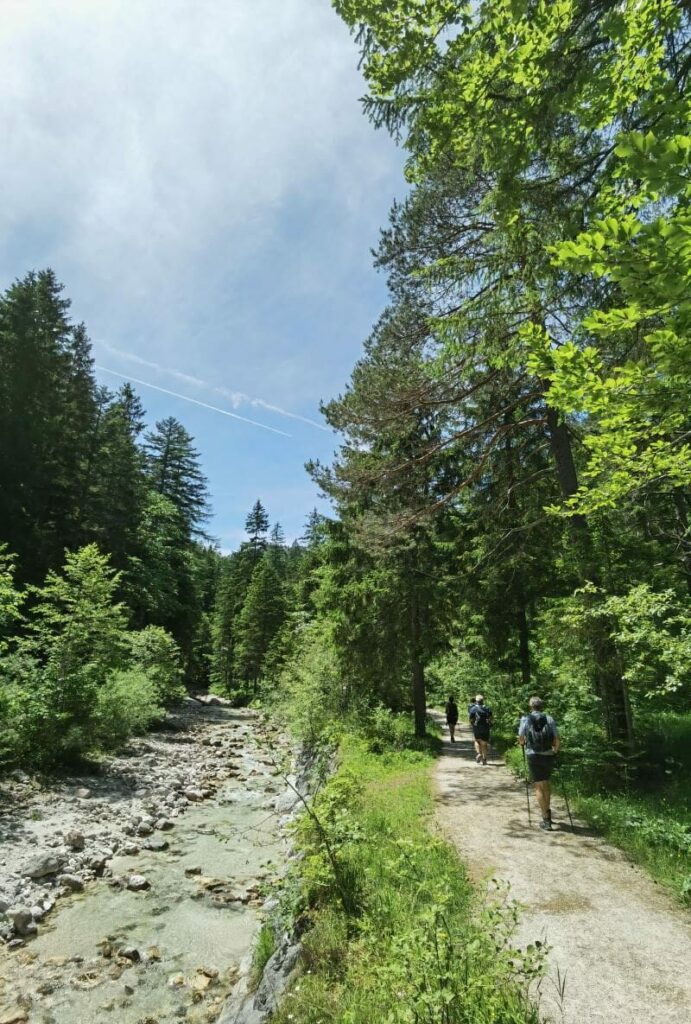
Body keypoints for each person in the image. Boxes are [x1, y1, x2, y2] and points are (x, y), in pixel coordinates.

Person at [518, 696, 560, 831]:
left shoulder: (525, 719)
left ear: (531, 706)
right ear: (541, 706)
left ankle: (545, 819)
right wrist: (555, 751)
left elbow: (521, 738)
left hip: (533, 754)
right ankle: (548, 813)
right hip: (548, 754)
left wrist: (523, 744)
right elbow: (557, 738)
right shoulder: (549, 718)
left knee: (538, 786)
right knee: (546, 784)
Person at [468, 694, 492, 764]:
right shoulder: (487, 708)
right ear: (483, 701)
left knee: (477, 741)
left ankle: (480, 754)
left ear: (476, 701)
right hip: (485, 727)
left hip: (477, 728)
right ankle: (484, 759)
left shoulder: (473, 709)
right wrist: (490, 725)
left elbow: (471, 719)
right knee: (484, 743)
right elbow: (491, 719)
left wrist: (472, 725)